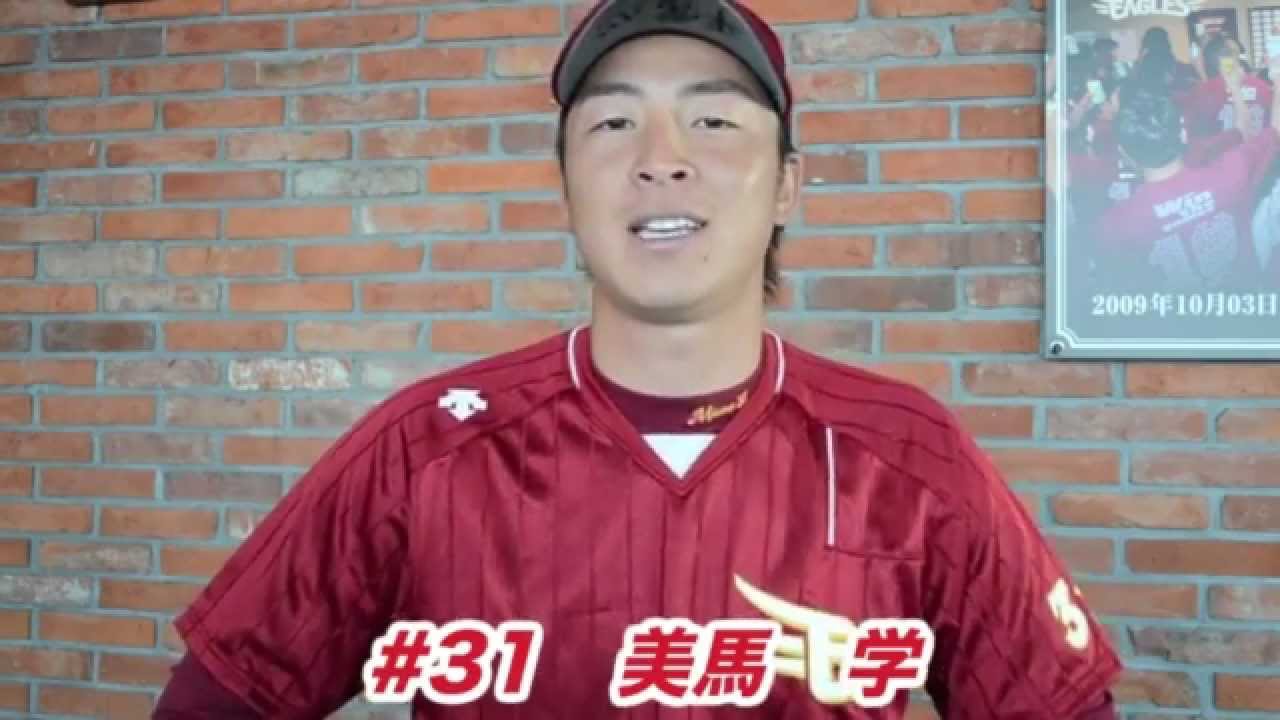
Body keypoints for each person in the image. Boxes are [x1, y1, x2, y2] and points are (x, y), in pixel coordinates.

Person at [153, 1, 1124, 717]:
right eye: (613, 124)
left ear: (786, 187)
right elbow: (223, 695)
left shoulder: (910, 456)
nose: (661, 157)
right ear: (566, 187)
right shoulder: (423, 450)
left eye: (713, 121)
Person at [1100, 58, 1280, 290]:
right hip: (1247, 305)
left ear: (1125, 154)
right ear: (1183, 135)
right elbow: (1272, 131)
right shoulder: (1231, 171)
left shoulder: (1115, 226)